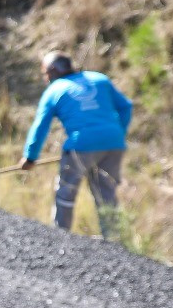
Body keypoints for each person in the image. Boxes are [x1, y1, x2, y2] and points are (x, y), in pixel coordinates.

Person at [19, 50, 134, 238]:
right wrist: (118, 132)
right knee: (106, 194)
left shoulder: (55, 90)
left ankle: (61, 237)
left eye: (45, 73)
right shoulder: (99, 79)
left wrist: (30, 156)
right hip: (114, 144)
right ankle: (115, 239)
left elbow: (40, 126)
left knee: (66, 192)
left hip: (81, 145)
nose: (46, 78)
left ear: (53, 70)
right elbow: (126, 106)